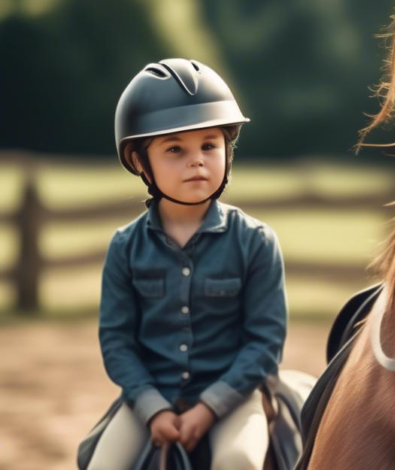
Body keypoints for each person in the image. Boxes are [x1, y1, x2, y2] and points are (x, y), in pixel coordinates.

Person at [84, 58, 287, 470]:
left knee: (241, 461)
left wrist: (210, 407)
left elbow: (265, 343)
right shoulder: (124, 247)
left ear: (227, 151)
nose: (197, 161)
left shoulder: (257, 242)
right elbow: (117, 342)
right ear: (141, 162)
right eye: (175, 149)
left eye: (209, 145)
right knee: (104, 465)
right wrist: (152, 408)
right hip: (149, 399)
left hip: (233, 398)